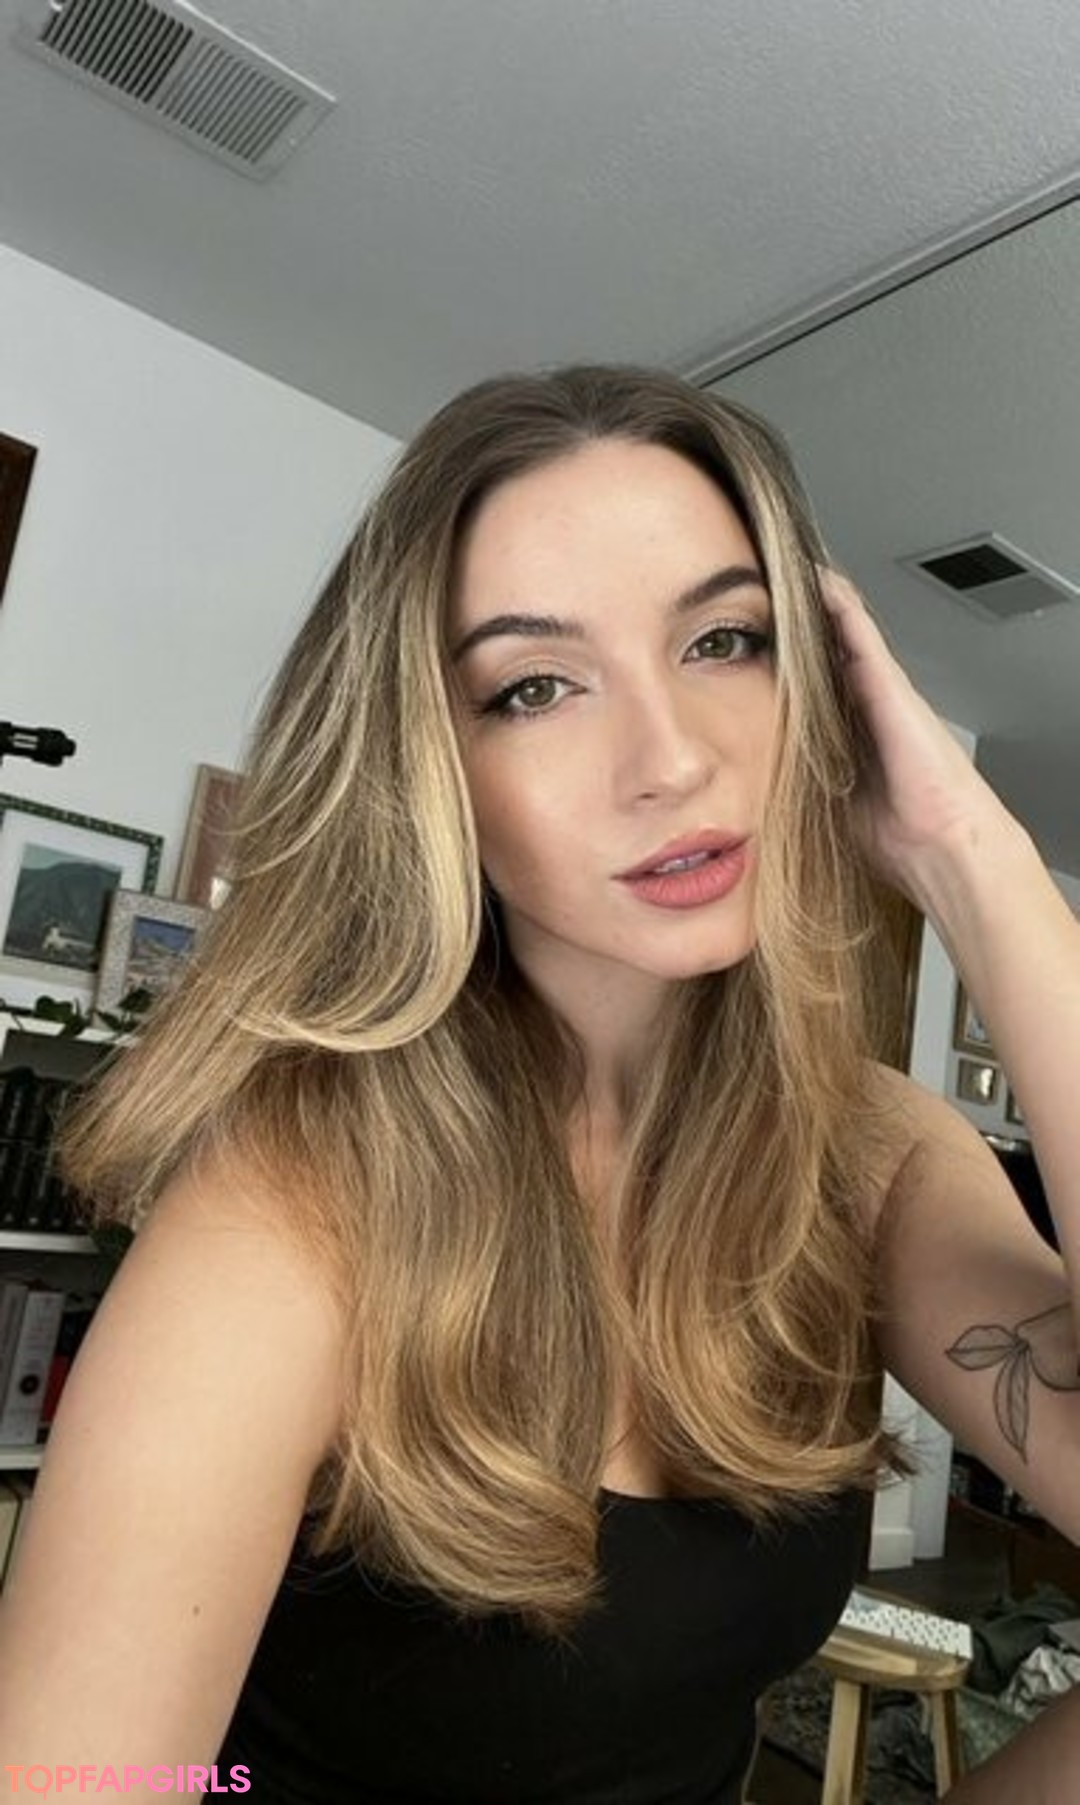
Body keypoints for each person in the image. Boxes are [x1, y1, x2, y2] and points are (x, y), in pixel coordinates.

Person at [0, 364, 1077, 1802]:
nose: (672, 758)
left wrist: (982, 867)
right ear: (429, 769)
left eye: (725, 640)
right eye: (537, 686)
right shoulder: (292, 1212)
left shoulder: (871, 1156)